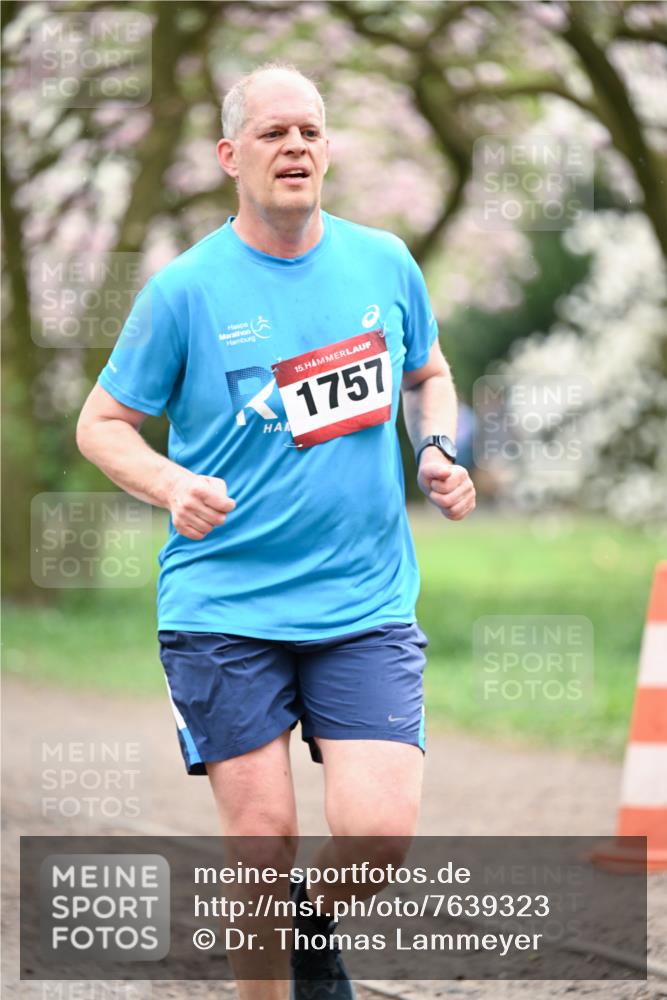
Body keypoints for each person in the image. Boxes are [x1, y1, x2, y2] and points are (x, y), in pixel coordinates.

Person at [76, 63, 476, 1000]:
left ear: (328, 149)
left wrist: (436, 451)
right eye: (271, 134)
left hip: (362, 599)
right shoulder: (184, 291)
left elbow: (427, 374)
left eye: (309, 132)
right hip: (226, 603)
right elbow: (101, 425)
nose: (294, 147)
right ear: (229, 155)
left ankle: (301, 932)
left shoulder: (384, 263)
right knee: (259, 850)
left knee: (378, 834)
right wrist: (170, 483)